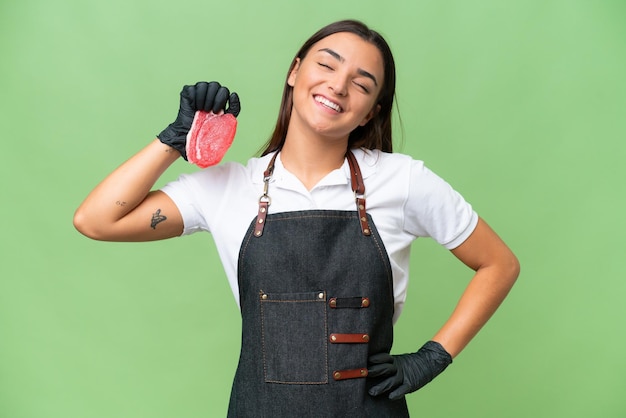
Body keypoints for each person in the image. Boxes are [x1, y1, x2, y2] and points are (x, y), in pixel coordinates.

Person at [74, 19, 519, 417]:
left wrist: (432, 357)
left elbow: (499, 264)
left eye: (362, 85)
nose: (339, 86)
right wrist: (175, 139)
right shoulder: (230, 188)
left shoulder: (401, 181)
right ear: (295, 71)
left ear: (371, 112)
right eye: (327, 65)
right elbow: (96, 221)